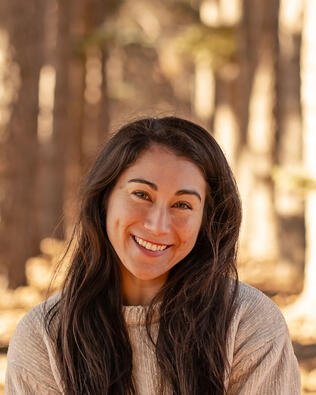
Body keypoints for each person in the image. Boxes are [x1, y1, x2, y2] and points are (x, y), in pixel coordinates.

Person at [5, 117, 301, 394]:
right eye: (142, 195)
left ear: (206, 220)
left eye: (183, 205)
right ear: (104, 198)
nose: (157, 225)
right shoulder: (43, 336)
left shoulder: (248, 323)